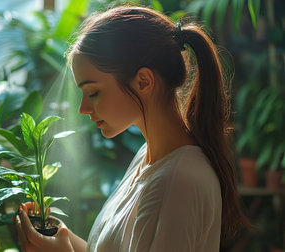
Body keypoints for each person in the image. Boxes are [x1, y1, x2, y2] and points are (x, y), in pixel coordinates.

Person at [14, 5, 249, 252]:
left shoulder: (180, 181)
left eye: (93, 92)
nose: (83, 108)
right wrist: (58, 236)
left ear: (144, 81)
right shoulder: (148, 158)